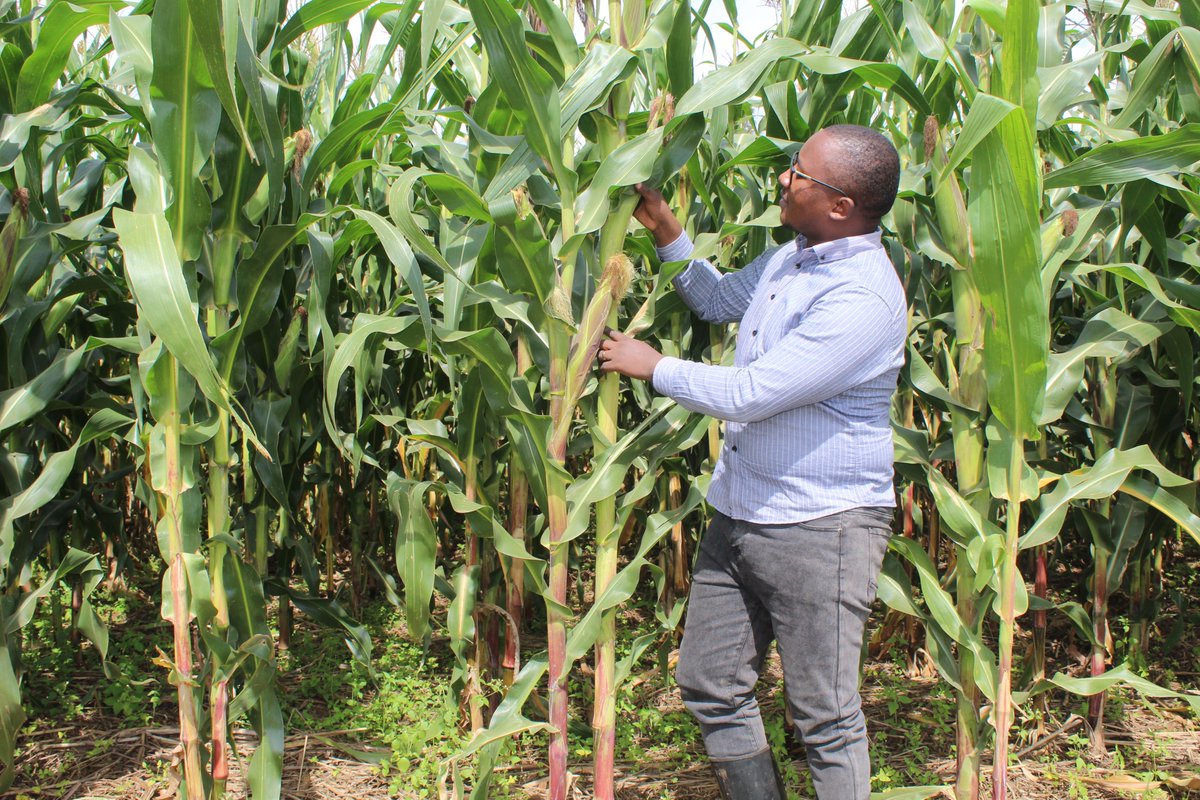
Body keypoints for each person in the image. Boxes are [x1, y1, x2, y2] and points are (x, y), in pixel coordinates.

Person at [597, 124, 905, 800]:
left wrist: (654, 366)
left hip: (821, 527)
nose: (784, 179)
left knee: (825, 717)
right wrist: (666, 229)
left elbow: (754, 393)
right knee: (709, 681)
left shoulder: (861, 296)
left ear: (841, 207)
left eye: (800, 174)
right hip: (741, 509)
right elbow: (716, 300)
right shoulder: (793, 256)